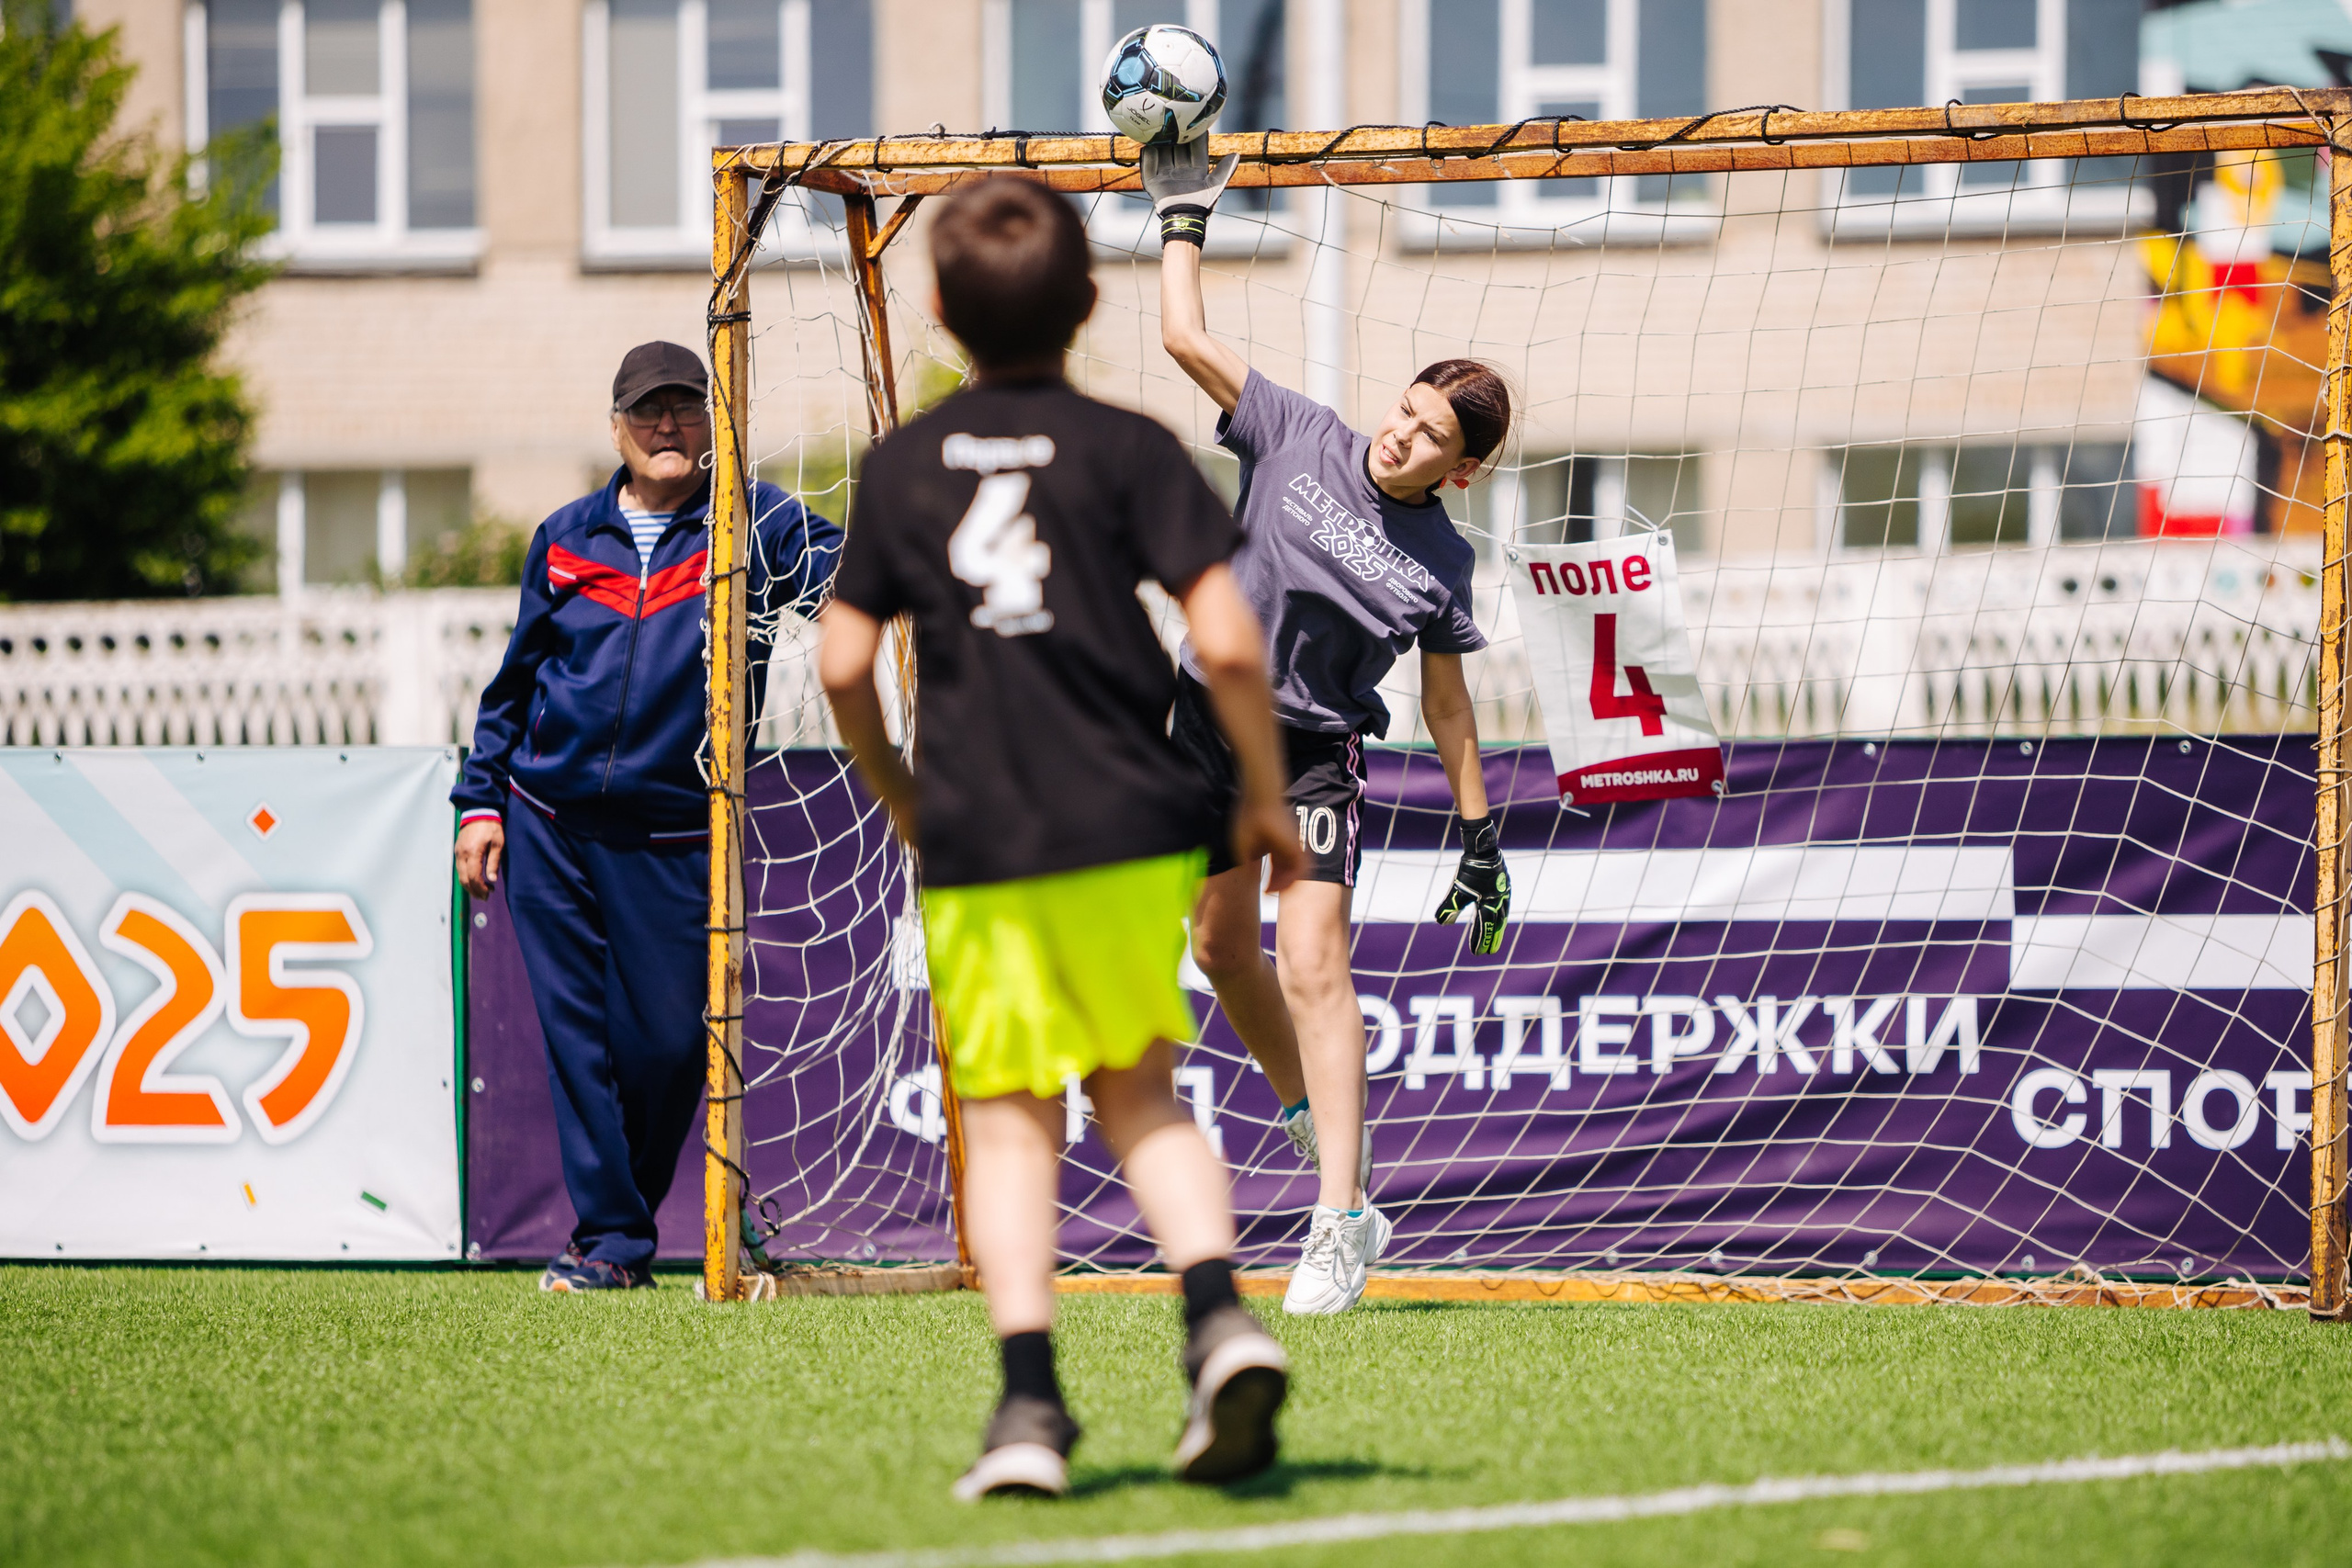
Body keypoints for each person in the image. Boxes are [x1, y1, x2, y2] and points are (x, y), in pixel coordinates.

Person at [819, 175, 1305, 1500]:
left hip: (985, 831)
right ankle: (1218, 1319)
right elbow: (1224, 637)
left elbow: (844, 657)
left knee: (1011, 1115)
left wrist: (901, 791)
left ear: (935, 308)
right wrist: (1261, 792)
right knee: (1138, 1084)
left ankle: (1030, 1404)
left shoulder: (903, 466)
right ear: (1090, 304)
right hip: (1130, 820)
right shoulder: (1133, 447)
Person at [1142, 138, 1516, 1317]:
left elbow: (1448, 706)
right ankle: (1314, 1118)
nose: (1403, 434)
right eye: (1407, 410)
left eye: (1433, 439)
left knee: (1313, 960)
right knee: (1215, 949)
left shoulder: (1442, 565)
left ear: (1459, 475)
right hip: (1200, 719)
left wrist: (1478, 834)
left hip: (1312, 750)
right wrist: (1181, 217)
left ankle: (1339, 1222)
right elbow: (1184, 340)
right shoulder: (1297, 433)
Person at [453, 341, 841, 1292]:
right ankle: (613, 1245)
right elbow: (512, 688)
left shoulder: (755, 524)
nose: (665, 425)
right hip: (548, 822)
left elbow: (858, 579)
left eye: (681, 407)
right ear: (615, 425)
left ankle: (615, 1228)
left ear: (712, 419)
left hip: (680, 833)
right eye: (645, 410)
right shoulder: (564, 537)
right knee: (577, 1041)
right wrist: (480, 803)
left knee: (670, 1044)